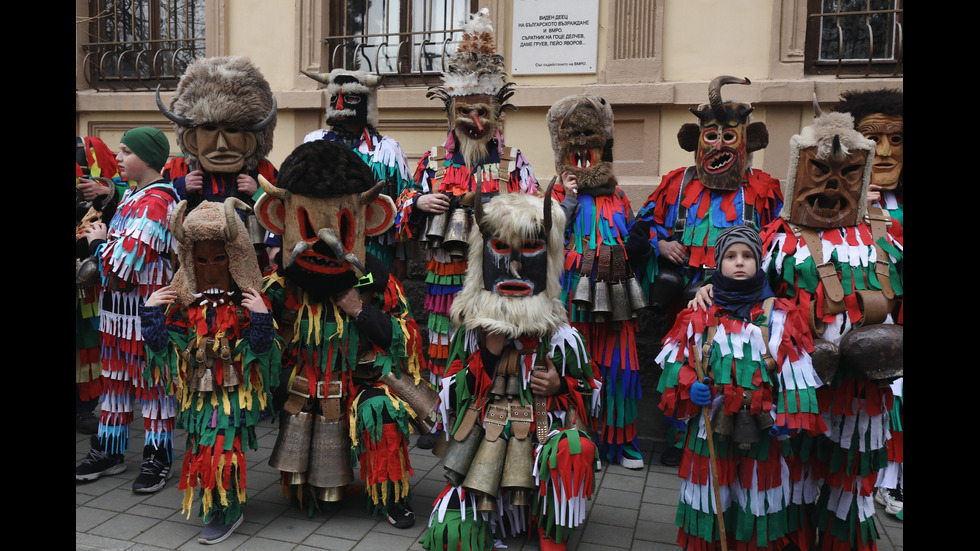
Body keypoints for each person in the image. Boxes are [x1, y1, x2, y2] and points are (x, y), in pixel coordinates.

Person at [692, 107, 904, 550]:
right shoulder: (779, 237)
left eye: (847, 174)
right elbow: (745, 290)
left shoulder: (886, 234)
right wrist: (705, 294)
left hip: (864, 393)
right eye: (820, 171)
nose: (832, 186)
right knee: (795, 479)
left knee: (849, 483)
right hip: (795, 387)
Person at [254, 139, 433, 528]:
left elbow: (405, 338)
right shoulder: (279, 287)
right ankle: (319, 480)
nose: (324, 239)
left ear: (371, 219)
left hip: (363, 379)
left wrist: (360, 310)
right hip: (308, 385)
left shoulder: (376, 280)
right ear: (277, 217)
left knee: (381, 411)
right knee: (309, 497)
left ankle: (391, 494)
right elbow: (261, 351)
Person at [420, 190, 601, 551]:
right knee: (451, 536)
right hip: (484, 439)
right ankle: (490, 517)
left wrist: (559, 385)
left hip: (542, 429)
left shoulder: (563, 337)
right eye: (501, 249)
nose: (515, 265)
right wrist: (487, 355)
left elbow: (591, 390)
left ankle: (551, 524)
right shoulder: (471, 333)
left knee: (575, 447)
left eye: (530, 249)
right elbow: (448, 400)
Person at [394, 8, 538, 449]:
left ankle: (487, 412)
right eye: (465, 111)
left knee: (492, 344)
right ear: (450, 112)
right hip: (444, 277)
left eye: (483, 111)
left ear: (497, 113)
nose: (475, 121)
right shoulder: (433, 161)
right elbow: (400, 209)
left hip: (498, 276)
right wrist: (419, 201)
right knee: (444, 343)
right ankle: (443, 415)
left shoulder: (515, 161)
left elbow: (537, 214)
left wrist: (505, 212)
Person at [633, 75, 783, 467]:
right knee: (688, 363)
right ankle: (681, 434)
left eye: (729, 137)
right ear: (694, 140)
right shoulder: (675, 183)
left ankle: (736, 431)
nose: (718, 146)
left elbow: (782, 235)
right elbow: (643, 224)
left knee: (733, 364)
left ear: (749, 141)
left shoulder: (764, 187)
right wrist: (660, 244)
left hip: (742, 297)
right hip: (685, 296)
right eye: (711, 136)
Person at [657, 225, 826, 550]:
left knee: (757, 503)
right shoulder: (699, 315)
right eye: (731, 256)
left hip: (764, 435)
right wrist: (691, 388)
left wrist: (786, 421)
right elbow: (675, 365)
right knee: (709, 500)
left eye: (747, 256)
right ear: (717, 264)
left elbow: (795, 375)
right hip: (708, 433)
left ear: (758, 262)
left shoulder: (780, 317)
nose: (739, 262)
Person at [140, 198, 281, 544]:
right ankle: (216, 504)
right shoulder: (184, 305)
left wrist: (261, 317)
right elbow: (163, 350)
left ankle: (227, 511)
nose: (211, 268)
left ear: (234, 258)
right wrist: (150, 314)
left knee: (223, 446)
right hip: (198, 396)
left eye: (219, 259)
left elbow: (261, 351)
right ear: (190, 261)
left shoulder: (247, 301)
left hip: (234, 394)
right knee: (202, 450)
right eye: (201, 261)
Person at [545, 94, 653, 469]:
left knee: (620, 367)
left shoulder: (619, 196)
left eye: (591, 147)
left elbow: (634, 235)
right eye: (575, 149)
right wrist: (569, 198)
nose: (583, 155)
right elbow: (547, 236)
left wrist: (649, 242)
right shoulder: (555, 192)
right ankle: (580, 441)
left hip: (617, 295)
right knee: (576, 365)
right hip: (572, 295)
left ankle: (621, 442)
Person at [75, 127, 180, 494]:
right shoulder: (133, 195)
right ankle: (110, 449)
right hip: (116, 316)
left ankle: (157, 456)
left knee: (153, 387)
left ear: (148, 158)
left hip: (145, 316)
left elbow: (124, 265)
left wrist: (98, 242)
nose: (117, 158)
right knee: (115, 386)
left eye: (125, 151)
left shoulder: (157, 201)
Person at [834, 89, 904, 520]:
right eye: (873, 138)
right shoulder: (831, 199)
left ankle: (895, 482)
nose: (885, 152)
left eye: (897, 139)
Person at [157, 55, 279, 266]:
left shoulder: (264, 171)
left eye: (232, 131)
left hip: (249, 265)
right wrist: (180, 187)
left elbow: (283, 216)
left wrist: (259, 194)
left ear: (250, 140)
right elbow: (155, 212)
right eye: (210, 129)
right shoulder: (178, 168)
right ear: (191, 137)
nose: (221, 144)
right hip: (195, 266)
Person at [300, 68, 413, 280]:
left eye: (350, 98)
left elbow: (401, 201)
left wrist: (401, 256)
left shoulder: (387, 150)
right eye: (335, 98)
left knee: (371, 298)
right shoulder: (314, 143)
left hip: (374, 246)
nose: (340, 105)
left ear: (365, 102)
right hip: (322, 243)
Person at [76, 136, 126, 434]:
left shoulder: (92, 146)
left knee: (87, 344)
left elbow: (128, 189)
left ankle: (83, 410)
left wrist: (106, 190)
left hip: (87, 271)